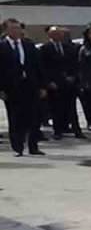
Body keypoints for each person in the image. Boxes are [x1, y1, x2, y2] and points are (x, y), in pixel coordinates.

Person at [1, 18, 46, 155]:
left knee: (33, 117)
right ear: (6, 30)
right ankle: (18, 146)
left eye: (18, 27)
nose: (17, 30)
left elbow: (38, 67)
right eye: (13, 28)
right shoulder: (2, 47)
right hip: (12, 88)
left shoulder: (28, 45)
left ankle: (33, 146)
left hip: (30, 85)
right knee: (15, 118)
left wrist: (42, 86)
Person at [40, 26, 84, 140]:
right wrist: (49, 82)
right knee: (55, 108)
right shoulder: (45, 48)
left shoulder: (69, 47)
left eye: (59, 34)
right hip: (55, 83)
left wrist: (73, 76)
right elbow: (43, 67)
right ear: (50, 35)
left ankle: (76, 130)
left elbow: (75, 64)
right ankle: (57, 130)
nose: (58, 36)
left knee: (71, 108)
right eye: (55, 34)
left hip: (69, 82)